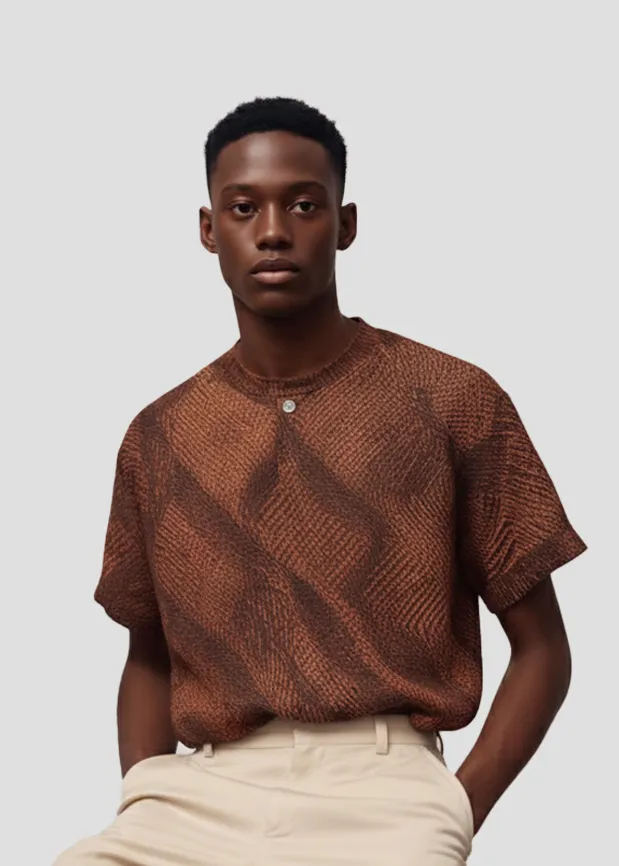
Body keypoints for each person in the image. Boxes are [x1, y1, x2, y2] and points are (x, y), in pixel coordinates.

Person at [54, 96, 587, 865]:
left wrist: (456, 808)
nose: (273, 229)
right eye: (243, 207)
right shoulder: (159, 435)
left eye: (303, 204)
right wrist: (144, 791)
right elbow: (148, 655)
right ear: (209, 229)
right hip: (200, 795)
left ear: (345, 223)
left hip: (385, 788)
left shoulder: (451, 399)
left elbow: (542, 651)